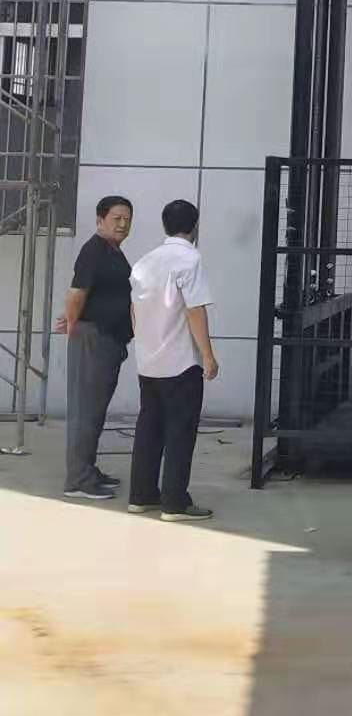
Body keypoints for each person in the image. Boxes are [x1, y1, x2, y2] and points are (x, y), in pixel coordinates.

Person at [128, 198, 218, 521]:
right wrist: (208, 355)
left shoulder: (144, 262)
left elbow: (134, 311)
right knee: (180, 432)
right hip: (180, 362)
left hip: (148, 362)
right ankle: (174, 503)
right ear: (195, 227)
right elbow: (194, 309)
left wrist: (144, 344)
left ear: (165, 225)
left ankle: (141, 496)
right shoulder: (190, 259)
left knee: (149, 429)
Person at [61, 194, 134, 500]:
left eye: (127, 219)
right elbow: (77, 292)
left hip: (108, 339)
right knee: (86, 410)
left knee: (96, 409)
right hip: (93, 338)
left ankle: (87, 469)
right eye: (117, 218)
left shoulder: (113, 252)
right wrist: (73, 323)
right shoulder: (94, 250)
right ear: (100, 220)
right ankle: (78, 480)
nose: (123, 224)